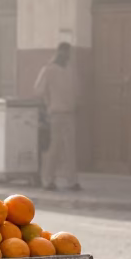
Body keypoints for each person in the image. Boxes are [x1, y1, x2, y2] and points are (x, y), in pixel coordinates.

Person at [34, 42, 81, 192]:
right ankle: (48, 180)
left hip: (69, 112)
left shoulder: (70, 70)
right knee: (53, 149)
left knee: (70, 149)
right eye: (64, 53)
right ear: (59, 52)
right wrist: (47, 104)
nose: (66, 56)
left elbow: (75, 90)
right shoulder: (48, 70)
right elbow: (39, 90)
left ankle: (71, 181)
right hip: (55, 113)